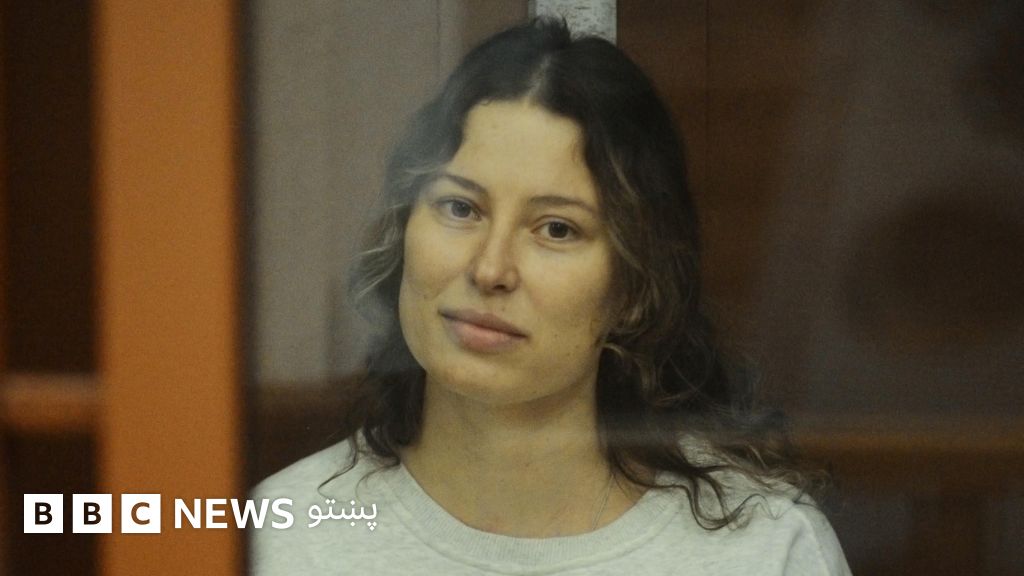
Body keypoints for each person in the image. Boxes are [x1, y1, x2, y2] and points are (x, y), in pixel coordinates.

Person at [251, 17, 852, 575]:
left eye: (557, 229)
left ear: (635, 289)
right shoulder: (283, 537)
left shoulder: (764, 550)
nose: (490, 268)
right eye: (459, 207)